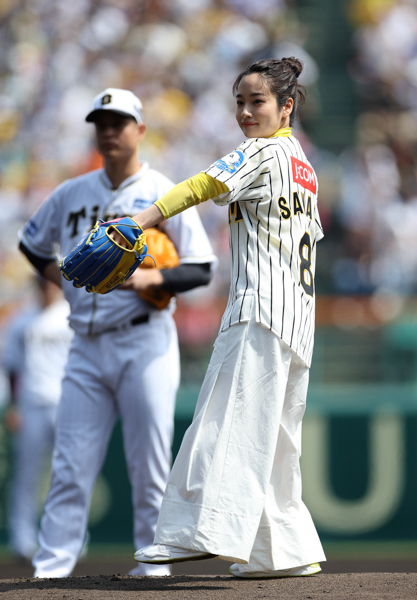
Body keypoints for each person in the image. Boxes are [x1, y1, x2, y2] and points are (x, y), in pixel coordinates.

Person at [119, 58, 326, 578]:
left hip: (260, 308)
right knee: (276, 442)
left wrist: (141, 220)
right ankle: (282, 551)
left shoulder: (264, 151)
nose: (245, 111)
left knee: (223, 420)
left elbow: (200, 186)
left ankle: (193, 533)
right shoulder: (303, 164)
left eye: (257, 101)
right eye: (239, 102)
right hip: (299, 318)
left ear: (287, 106)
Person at [18, 87, 217, 578]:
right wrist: (60, 279)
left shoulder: (160, 192)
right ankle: (52, 569)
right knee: (69, 467)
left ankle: (152, 568)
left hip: (143, 339)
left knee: (148, 466)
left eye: (119, 123)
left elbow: (202, 269)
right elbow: (31, 244)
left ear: (140, 130)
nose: (108, 131)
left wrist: (152, 278)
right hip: (83, 346)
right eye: (101, 123)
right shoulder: (72, 192)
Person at [1, 277, 73, 562]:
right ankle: (23, 540)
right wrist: (13, 406)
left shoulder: (72, 314)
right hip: (31, 403)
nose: (47, 287)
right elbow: (11, 368)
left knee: (69, 474)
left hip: (66, 403)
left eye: (51, 282)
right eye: (43, 282)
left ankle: (68, 539)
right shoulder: (21, 319)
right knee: (26, 474)